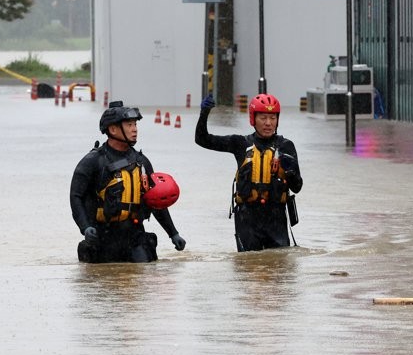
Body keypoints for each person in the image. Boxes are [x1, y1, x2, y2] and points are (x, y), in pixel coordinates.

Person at [70, 100, 186, 263]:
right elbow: (76, 197)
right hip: (103, 237)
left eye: (135, 125)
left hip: (135, 236)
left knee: (141, 277)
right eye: (129, 125)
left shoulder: (141, 162)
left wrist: (173, 233)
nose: (135, 129)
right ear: (113, 129)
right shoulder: (93, 162)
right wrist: (85, 227)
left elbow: (155, 200)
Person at [195, 92, 303, 251]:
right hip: (247, 219)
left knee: (279, 268)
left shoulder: (286, 146)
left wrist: (289, 171)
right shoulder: (239, 143)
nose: (268, 123)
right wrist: (204, 114)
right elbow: (202, 139)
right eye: (263, 118)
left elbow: (297, 187)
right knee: (248, 266)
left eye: (273, 118)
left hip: (276, 219)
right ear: (253, 119)